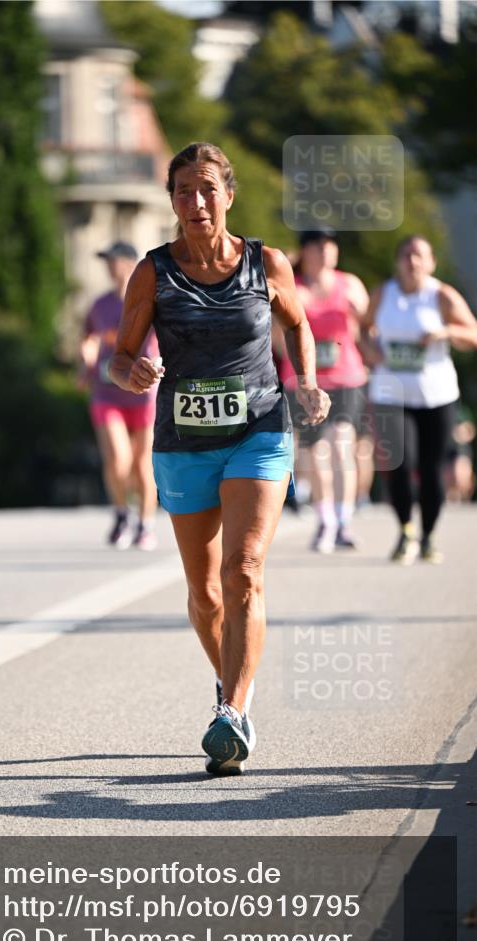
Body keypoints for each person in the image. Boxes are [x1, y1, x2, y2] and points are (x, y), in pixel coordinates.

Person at [109, 142, 330, 775]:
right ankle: (233, 683)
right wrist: (132, 372)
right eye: (184, 190)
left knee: (244, 568)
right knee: (205, 593)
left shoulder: (267, 263)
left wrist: (307, 381)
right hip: (184, 442)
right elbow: (120, 357)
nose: (197, 201)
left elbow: (297, 324)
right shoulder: (153, 272)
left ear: (228, 195)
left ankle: (232, 712)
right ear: (172, 202)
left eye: (208, 188)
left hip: (259, 430)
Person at [361, 235, 477, 564]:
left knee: (431, 468)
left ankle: (428, 536)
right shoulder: (384, 294)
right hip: (390, 393)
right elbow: (363, 327)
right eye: (406, 255)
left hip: (436, 395)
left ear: (431, 263)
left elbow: (473, 334)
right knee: (400, 463)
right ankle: (406, 530)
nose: (412, 261)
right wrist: (371, 351)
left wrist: (446, 332)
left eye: (419, 255)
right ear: (398, 261)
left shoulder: (442, 296)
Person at [276, 230, 369, 552]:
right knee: (315, 453)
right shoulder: (292, 288)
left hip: (346, 377)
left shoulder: (350, 284)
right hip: (305, 381)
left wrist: (360, 315)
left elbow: (369, 328)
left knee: (341, 444)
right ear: (306, 251)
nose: (327, 251)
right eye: (319, 246)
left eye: (331, 246)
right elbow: (277, 340)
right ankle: (325, 520)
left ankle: (344, 521)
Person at [80, 241, 159, 551]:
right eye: (107, 261)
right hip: (107, 393)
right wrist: (86, 362)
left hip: (143, 394)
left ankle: (145, 524)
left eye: (114, 260)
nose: (110, 267)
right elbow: (88, 336)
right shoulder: (100, 305)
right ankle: (121, 515)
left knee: (141, 464)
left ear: (129, 263)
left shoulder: (149, 300)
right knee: (118, 458)